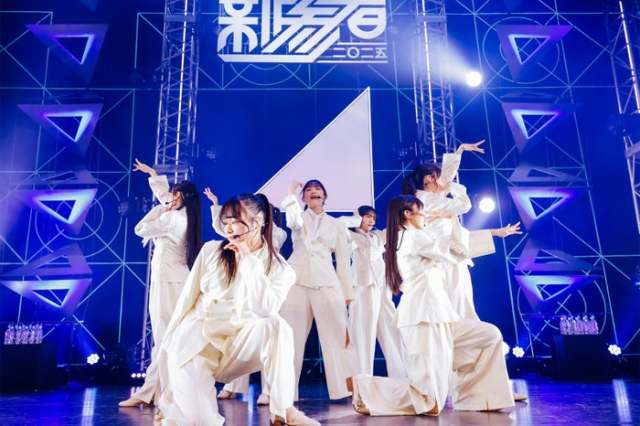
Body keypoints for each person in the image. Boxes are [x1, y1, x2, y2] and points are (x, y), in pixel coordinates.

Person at [155, 193, 319, 425]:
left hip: (238, 345)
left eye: (236, 222)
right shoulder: (211, 251)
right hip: (196, 346)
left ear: (259, 221)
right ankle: (177, 404)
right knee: (199, 421)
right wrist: (168, 352)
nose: (230, 229)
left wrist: (249, 261)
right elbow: (186, 300)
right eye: (226, 222)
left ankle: (284, 410)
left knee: (278, 326)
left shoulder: (281, 269)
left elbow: (266, 309)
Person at [351, 195, 515, 416]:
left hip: (439, 317)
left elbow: (454, 250)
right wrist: (452, 218)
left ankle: (477, 397)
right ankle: (366, 390)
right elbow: (458, 253)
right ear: (407, 214)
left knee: (489, 336)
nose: (425, 216)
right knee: (428, 400)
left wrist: (455, 222)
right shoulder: (413, 237)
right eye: (421, 212)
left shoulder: (411, 237)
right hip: (423, 319)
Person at [119, 159, 202, 408]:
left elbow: (140, 229)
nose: (170, 199)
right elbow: (165, 197)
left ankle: (168, 394)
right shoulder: (185, 214)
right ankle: (150, 391)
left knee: (166, 337)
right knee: (165, 338)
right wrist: (153, 174)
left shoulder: (171, 219)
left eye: (175, 196)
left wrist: (159, 210)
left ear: (182, 199)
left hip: (167, 282)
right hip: (175, 280)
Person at [203, 187, 287, 405]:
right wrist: (215, 205)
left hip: (264, 279)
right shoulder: (231, 236)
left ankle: (270, 391)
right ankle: (232, 386)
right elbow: (224, 228)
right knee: (237, 332)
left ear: (261, 219)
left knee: (270, 336)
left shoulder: (278, 234)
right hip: (242, 276)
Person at [279, 179, 355, 401]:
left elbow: (343, 262)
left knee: (336, 337)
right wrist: (290, 192)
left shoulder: (337, 225)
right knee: (290, 338)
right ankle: (285, 392)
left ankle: (342, 389)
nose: (313, 192)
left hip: (326, 281)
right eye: (309, 190)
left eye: (318, 189)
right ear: (303, 198)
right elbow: (292, 219)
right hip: (297, 281)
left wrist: (347, 294)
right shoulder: (298, 218)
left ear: (325, 196)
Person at [338, 206, 405, 378]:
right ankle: (362, 379)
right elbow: (340, 224)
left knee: (392, 330)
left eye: (373, 218)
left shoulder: (377, 236)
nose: (371, 220)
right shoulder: (349, 235)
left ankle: (401, 377)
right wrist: (355, 219)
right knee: (362, 333)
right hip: (362, 288)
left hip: (381, 288)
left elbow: (397, 228)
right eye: (367, 216)